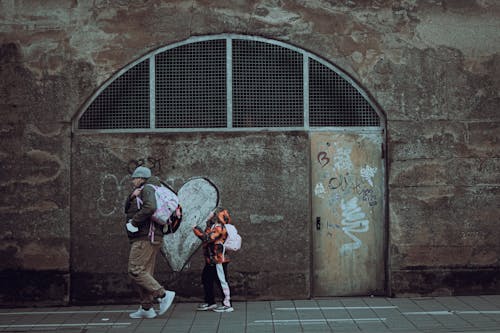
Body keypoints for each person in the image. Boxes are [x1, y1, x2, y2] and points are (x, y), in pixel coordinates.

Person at [124, 166, 175, 319]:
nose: (133, 180)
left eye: (134, 178)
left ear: (141, 178)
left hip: (145, 237)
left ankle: (163, 294)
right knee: (145, 273)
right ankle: (146, 308)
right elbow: (128, 208)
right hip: (152, 237)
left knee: (135, 270)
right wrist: (132, 197)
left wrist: (134, 221)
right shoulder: (147, 189)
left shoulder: (146, 189)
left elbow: (150, 207)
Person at [192, 208, 234, 312]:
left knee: (222, 281)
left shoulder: (219, 228)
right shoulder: (213, 226)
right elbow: (207, 233)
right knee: (206, 278)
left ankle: (227, 304)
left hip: (218, 259)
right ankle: (210, 302)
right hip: (211, 259)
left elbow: (207, 238)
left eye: (212, 213)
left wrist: (195, 228)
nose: (209, 214)